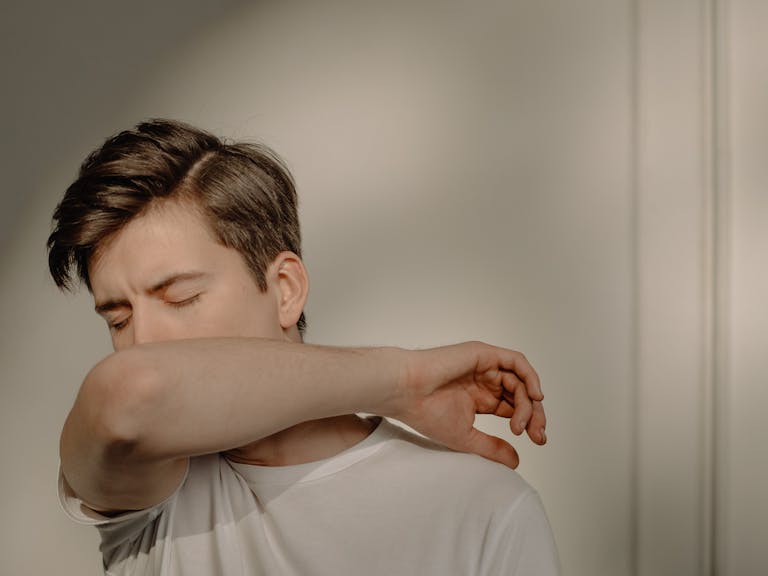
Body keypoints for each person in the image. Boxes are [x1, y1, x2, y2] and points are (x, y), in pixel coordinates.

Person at [47, 119, 560, 575]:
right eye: (118, 318)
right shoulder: (150, 497)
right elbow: (130, 393)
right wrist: (401, 382)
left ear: (286, 289)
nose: (142, 342)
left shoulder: (481, 509)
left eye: (180, 298)